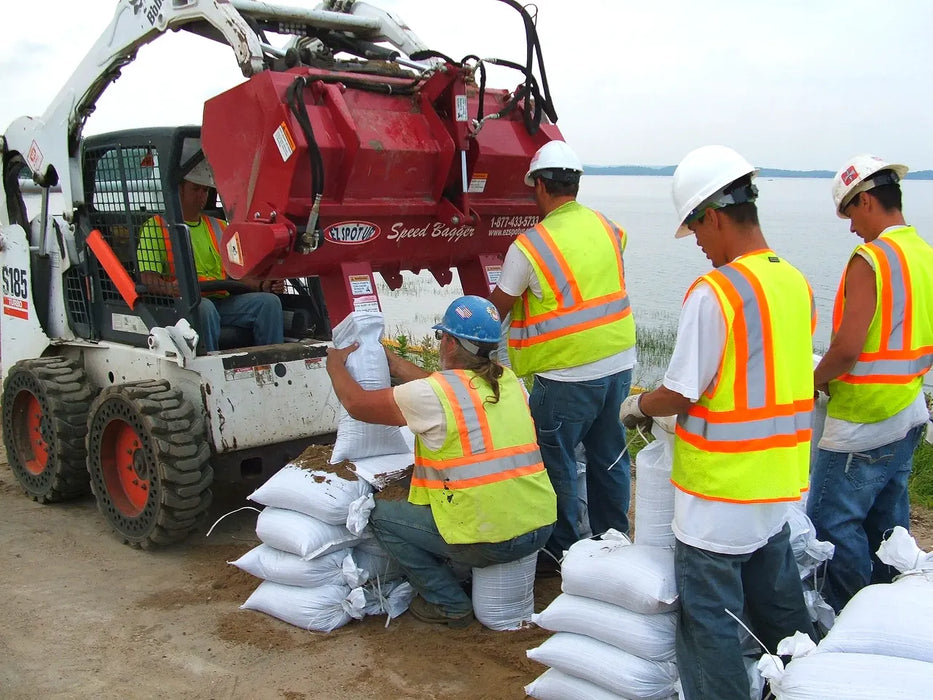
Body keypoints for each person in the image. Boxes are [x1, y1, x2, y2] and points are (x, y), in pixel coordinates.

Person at [620, 145, 817, 700]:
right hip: (774, 487)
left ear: (712, 214)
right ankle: (807, 687)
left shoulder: (717, 293)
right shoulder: (795, 282)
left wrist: (638, 406)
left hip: (716, 498)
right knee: (781, 614)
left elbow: (681, 392)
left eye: (696, 230)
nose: (700, 245)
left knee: (708, 628)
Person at [325, 295, 557, 627]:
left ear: (448, 342)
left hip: (492, 538)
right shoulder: (509, 381)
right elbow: (444, 388)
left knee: (377, 515)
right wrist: (394, 364)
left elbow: (358, 404)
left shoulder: (431, 395)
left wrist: (335, 367)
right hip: (540, 525)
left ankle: (448, 603)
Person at [488, 140, 636, 569]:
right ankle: (613, 540)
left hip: (566, 376)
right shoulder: (610, 229)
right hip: (620, 364)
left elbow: (496, 310)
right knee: (610, 455)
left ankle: (564, 553)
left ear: (539, 186)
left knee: (557, 462)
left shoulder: (530, 246)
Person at [807, 155, 933, 612]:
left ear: (866, 200)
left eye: (850, 213)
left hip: (864, 418)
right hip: (909, 409)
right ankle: (893, 612)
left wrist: (813, 382)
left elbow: (846, 349)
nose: (851, 227)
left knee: (831, 524)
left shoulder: (873, 258)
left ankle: (850, 617)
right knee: (887, 524)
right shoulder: (922, 252)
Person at [136, 159, 284, 352]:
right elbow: (148, 277)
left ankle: (274, 360)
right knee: (205, 309)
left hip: (222, 300)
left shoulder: (219, 226)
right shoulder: (156, 227)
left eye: (205, 190)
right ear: (178, 190)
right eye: (195, 189)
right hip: (183, 306)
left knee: (268, 303)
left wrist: (263, 285)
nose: (201, 196)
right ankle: (212, 364)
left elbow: (235, 274)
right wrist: (169, 288)